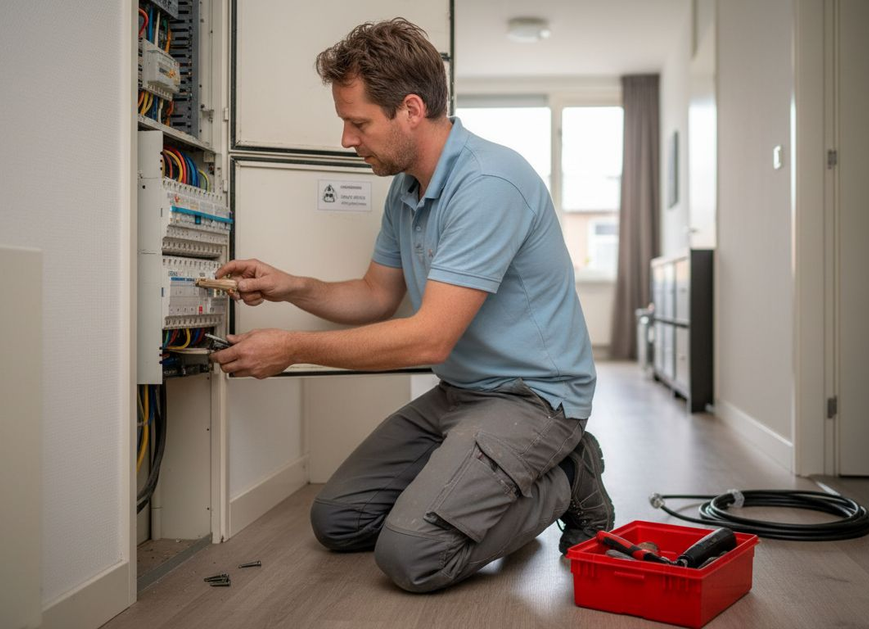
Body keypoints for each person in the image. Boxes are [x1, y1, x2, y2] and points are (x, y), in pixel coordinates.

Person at [210, 18, 613, 593]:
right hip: (461, 395)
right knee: (338, 520)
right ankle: (488, 482)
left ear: (411, 109)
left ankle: (569, 474)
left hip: (534, 400)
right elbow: (377, 295)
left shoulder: (489, 182)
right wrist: (290, 286)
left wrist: (294, 348)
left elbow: (429, 339)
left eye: (358, 123)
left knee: (413, 554)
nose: (347, 140)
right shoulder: (408, 188)